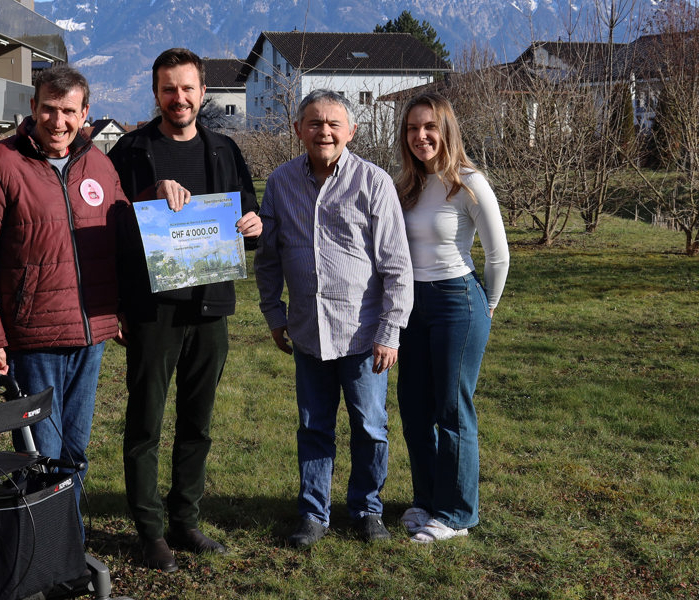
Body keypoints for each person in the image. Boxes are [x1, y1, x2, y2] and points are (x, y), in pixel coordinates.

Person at [108, 47, 261, 572]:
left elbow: (249, 213)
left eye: (188, 88)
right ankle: (149, 531)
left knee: (198, 421)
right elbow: (109, 230)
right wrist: (150, 196)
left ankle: (185, 520)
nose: (179, 98)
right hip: (152, 310)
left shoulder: (223, 149)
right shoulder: (130, 151)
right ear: (156, 93)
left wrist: (254, 227)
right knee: (146, 422)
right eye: (169, 89)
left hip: (211, 304)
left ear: (202, 93)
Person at [0, 65, 128, 514]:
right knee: (40, 457)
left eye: (69, 111)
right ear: (32, 108)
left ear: (85, 113)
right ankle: (41, 555)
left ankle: (65, 545)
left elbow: (123, 242)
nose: (58, 121)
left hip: (90, 334)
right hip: (32, 340)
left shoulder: (100, 164)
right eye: (49, 109)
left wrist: (121, 309)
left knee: (75, 451)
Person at [255, 89, 414, 548]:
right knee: (314, 426)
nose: (323, 131)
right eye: (314, 122)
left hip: (364, 334)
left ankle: (367, 509)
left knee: (370, 426)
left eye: (333, 124)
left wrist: (390, 331)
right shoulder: (281, 183)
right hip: (308, 331)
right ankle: (313, 514)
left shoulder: (373, 182)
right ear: (298, 128)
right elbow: (268, 258)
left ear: (351, 131)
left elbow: (396, 265)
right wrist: (273, 313)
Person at [393, 92, 510, 543]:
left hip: (456, 302)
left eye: (429, 128)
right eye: (411, 129)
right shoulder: (405, 184)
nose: (420, 137)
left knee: (452, 410)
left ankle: (458, 514)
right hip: (411, 306)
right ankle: (426, 501)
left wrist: (490, 305)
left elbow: (498, 255)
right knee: (415, 409)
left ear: (446, 131)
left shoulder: (468, 181)